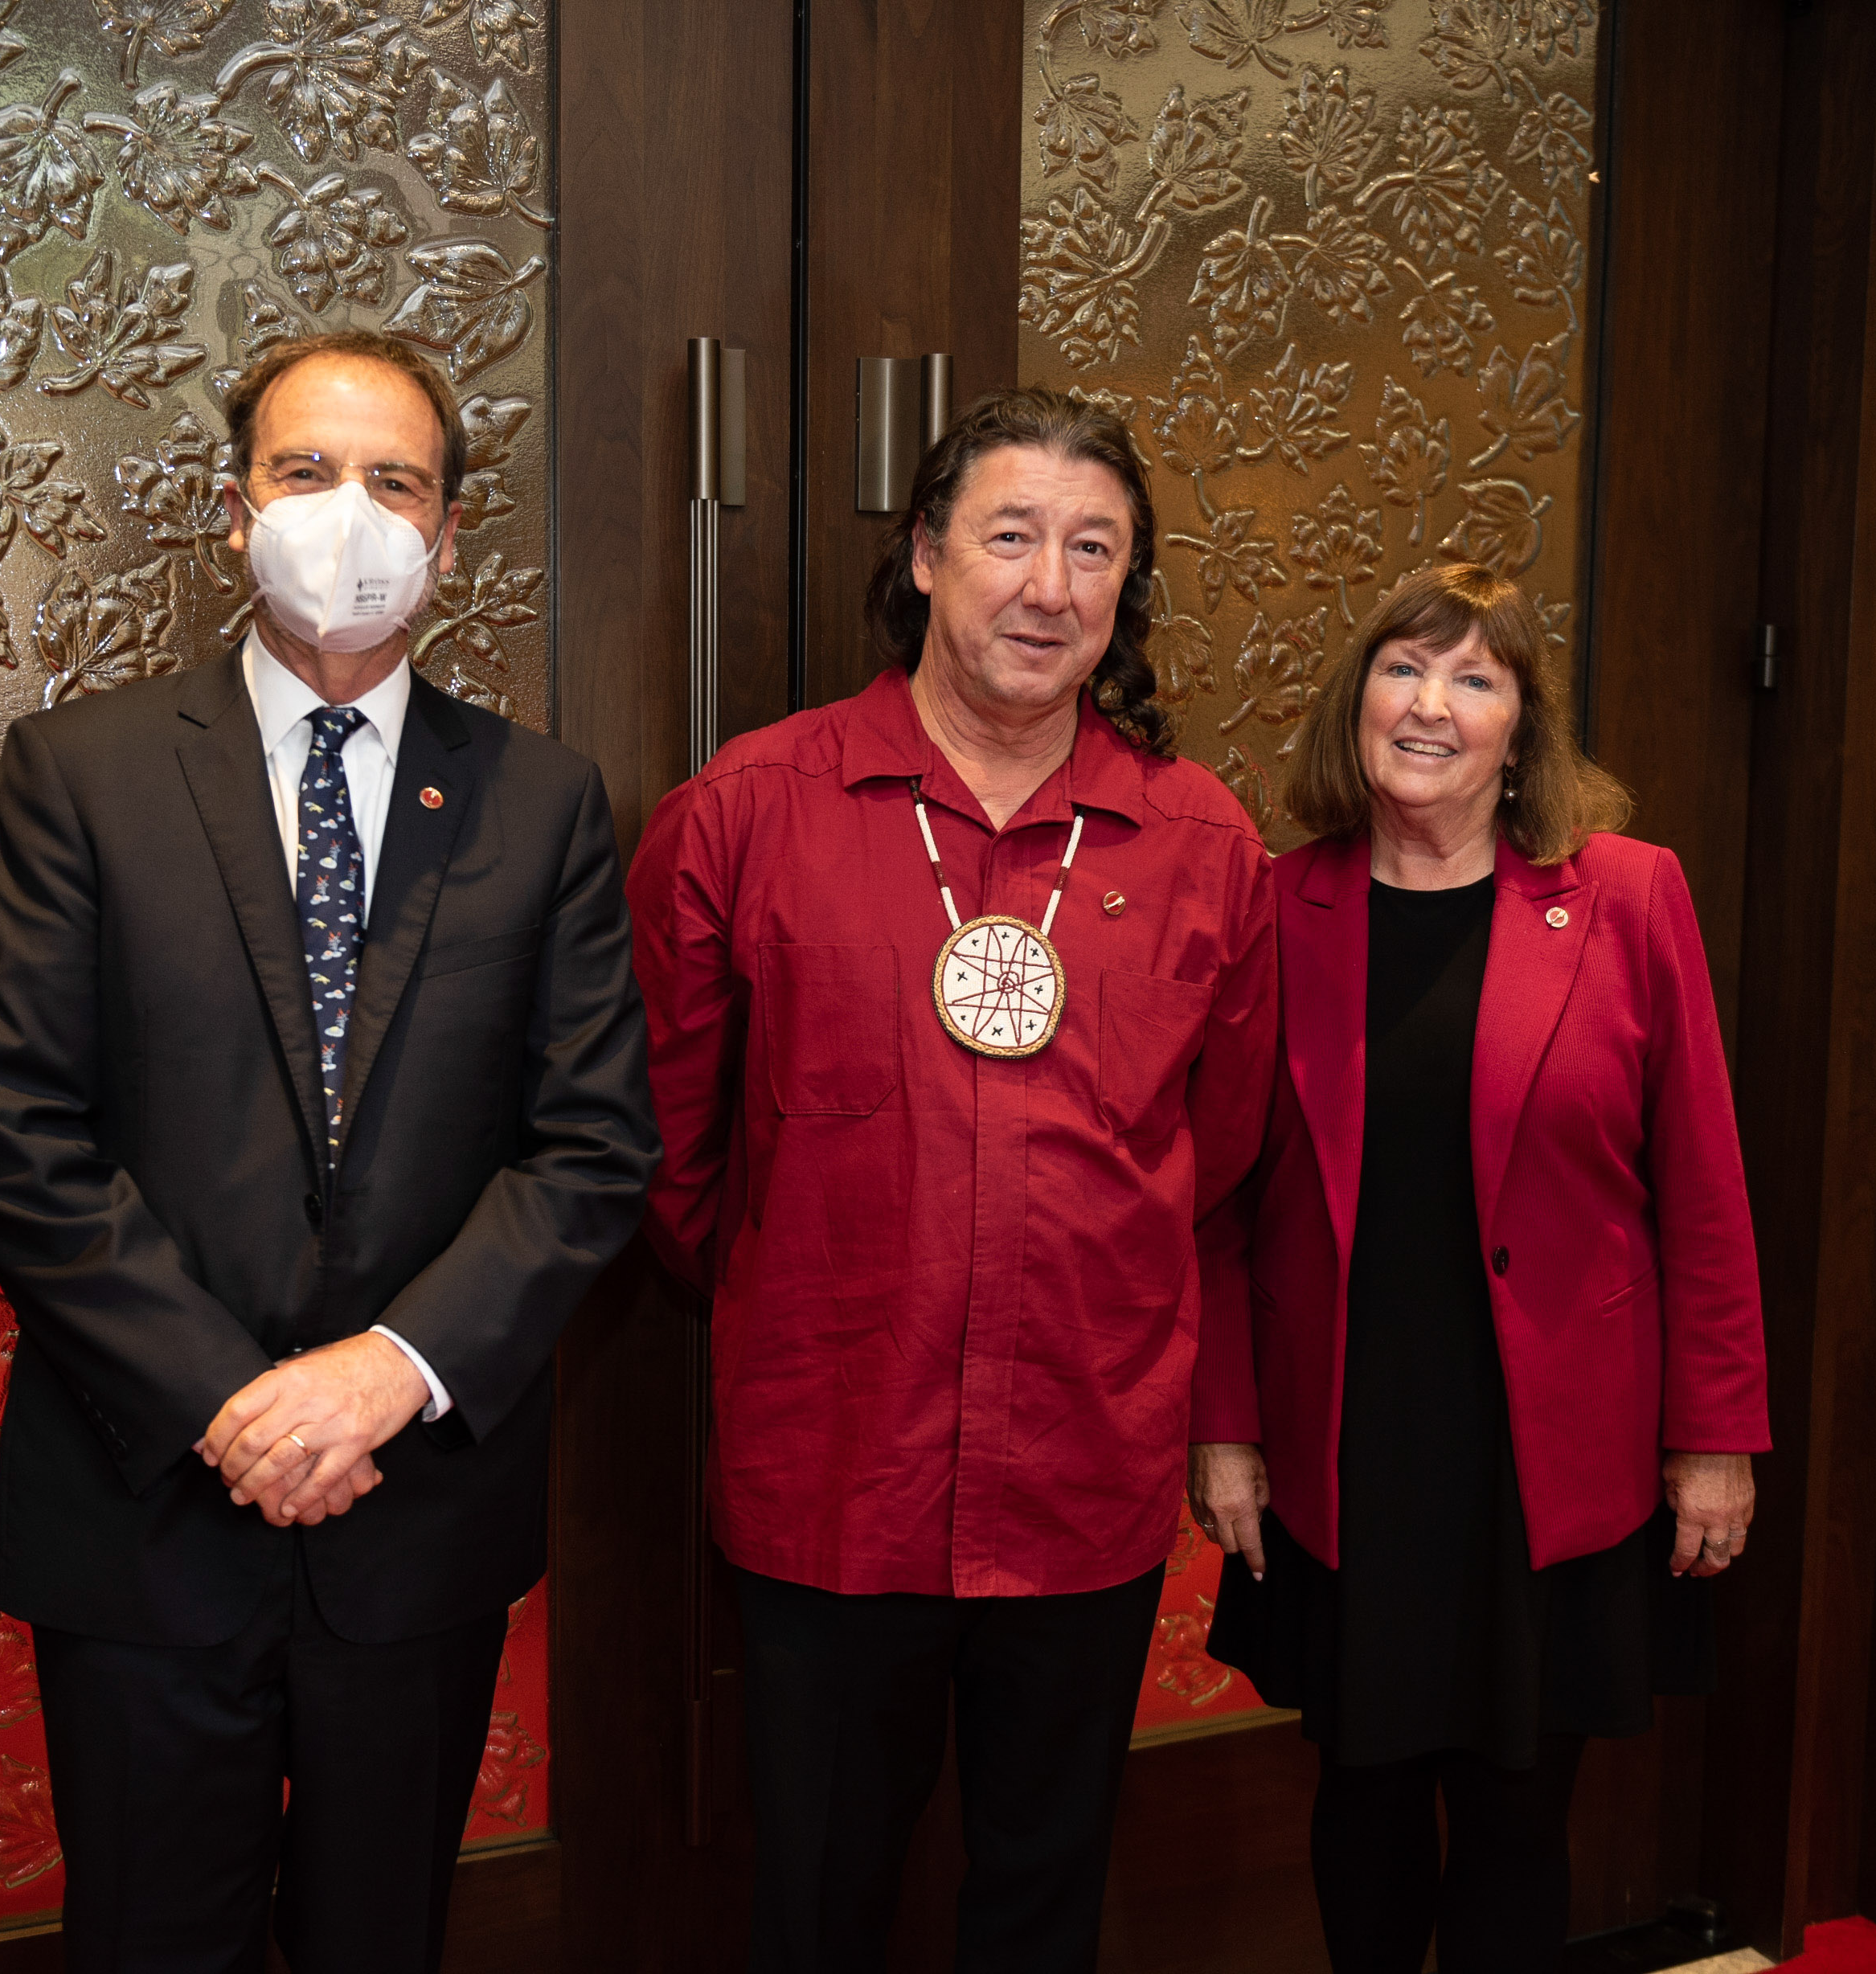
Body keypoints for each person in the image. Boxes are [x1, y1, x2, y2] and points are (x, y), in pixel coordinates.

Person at [0, 329, 656, 1974]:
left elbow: (590, 1146)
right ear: (233, 505)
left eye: (394, 481)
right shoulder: (85, 773)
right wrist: (231, 1401)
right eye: (304, 471)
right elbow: (16, 1130)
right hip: (141, 1508)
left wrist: (383, 1375)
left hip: (410, 1516)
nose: (348, 513)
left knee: (378, 1938)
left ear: (451, 533)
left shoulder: (541, 803)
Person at [629, 388, 1280, 1974]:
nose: (1048, 586)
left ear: (1125, 589)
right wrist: (821, 1289)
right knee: (819, 1900)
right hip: (832, 1471)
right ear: (924, 556)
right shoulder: (742, 813)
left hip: (1081, 1480)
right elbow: (667, 1156)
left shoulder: (1201, 843)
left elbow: (1222, 1147)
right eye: (1008, 536)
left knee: (1043, 1899)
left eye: (1092, 549)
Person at [1188, 562, 1770, 1974]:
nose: (1431, 705)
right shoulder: (1278, 908)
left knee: (1521, 1808)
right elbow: (1218, 1205)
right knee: (1364, 1794)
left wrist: (1716, 1441)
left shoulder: (1629, 897)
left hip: (1550, 1453)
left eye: (1476, 677)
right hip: (1352, 1445)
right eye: (1403, 669)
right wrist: (1226, 1426)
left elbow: (1703, 1185)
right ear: (1357, 704)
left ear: (1523, 726)